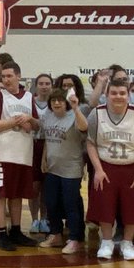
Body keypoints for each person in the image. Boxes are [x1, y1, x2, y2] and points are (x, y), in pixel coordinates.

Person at [86, 79, 134, 261]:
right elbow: (91, 144)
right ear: (106, 95)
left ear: (128, 95)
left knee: (133, 207)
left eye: (122, 93)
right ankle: (106, 241)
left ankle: (127, 242)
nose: (118, 96)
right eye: (114, 93)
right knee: (104, 206)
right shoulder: (96, 114)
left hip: (132, 168)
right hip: (106, 167)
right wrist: (98, 170)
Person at [0, 60, 40, 251]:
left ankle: (15, 231)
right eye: (3, 76)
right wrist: (14, 122)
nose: (6, 79)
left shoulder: (29, 97)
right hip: (3, 155)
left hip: (24, 155)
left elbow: (37, 125)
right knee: (0, 195)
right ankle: (1, 233)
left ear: (19, 76)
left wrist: (30, 120)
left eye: (9, 76)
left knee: (17, 195)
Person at [38, 86, 88, 253]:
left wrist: (75, 108)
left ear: (66, 103)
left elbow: (84, 127)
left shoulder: (73, 116)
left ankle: (75, 238)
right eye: (53, 100)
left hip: (71, 169)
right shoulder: (48, 117)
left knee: (71, 204)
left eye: (60, 100)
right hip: (53, 168)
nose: (57, 103)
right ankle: (56, 234)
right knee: (51, 203)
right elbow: (47, 139)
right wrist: (44, 157)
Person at [29, 73, 54, 234]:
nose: (44, 86)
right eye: (41, 83)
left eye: (47, 83)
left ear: (51, 86)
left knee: (46, 186)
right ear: (36, 86)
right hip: (31, 146)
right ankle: (34, 219)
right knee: (34, 186)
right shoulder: (29, 102)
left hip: (50, 145)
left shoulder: (56, 104)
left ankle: (45, 218)